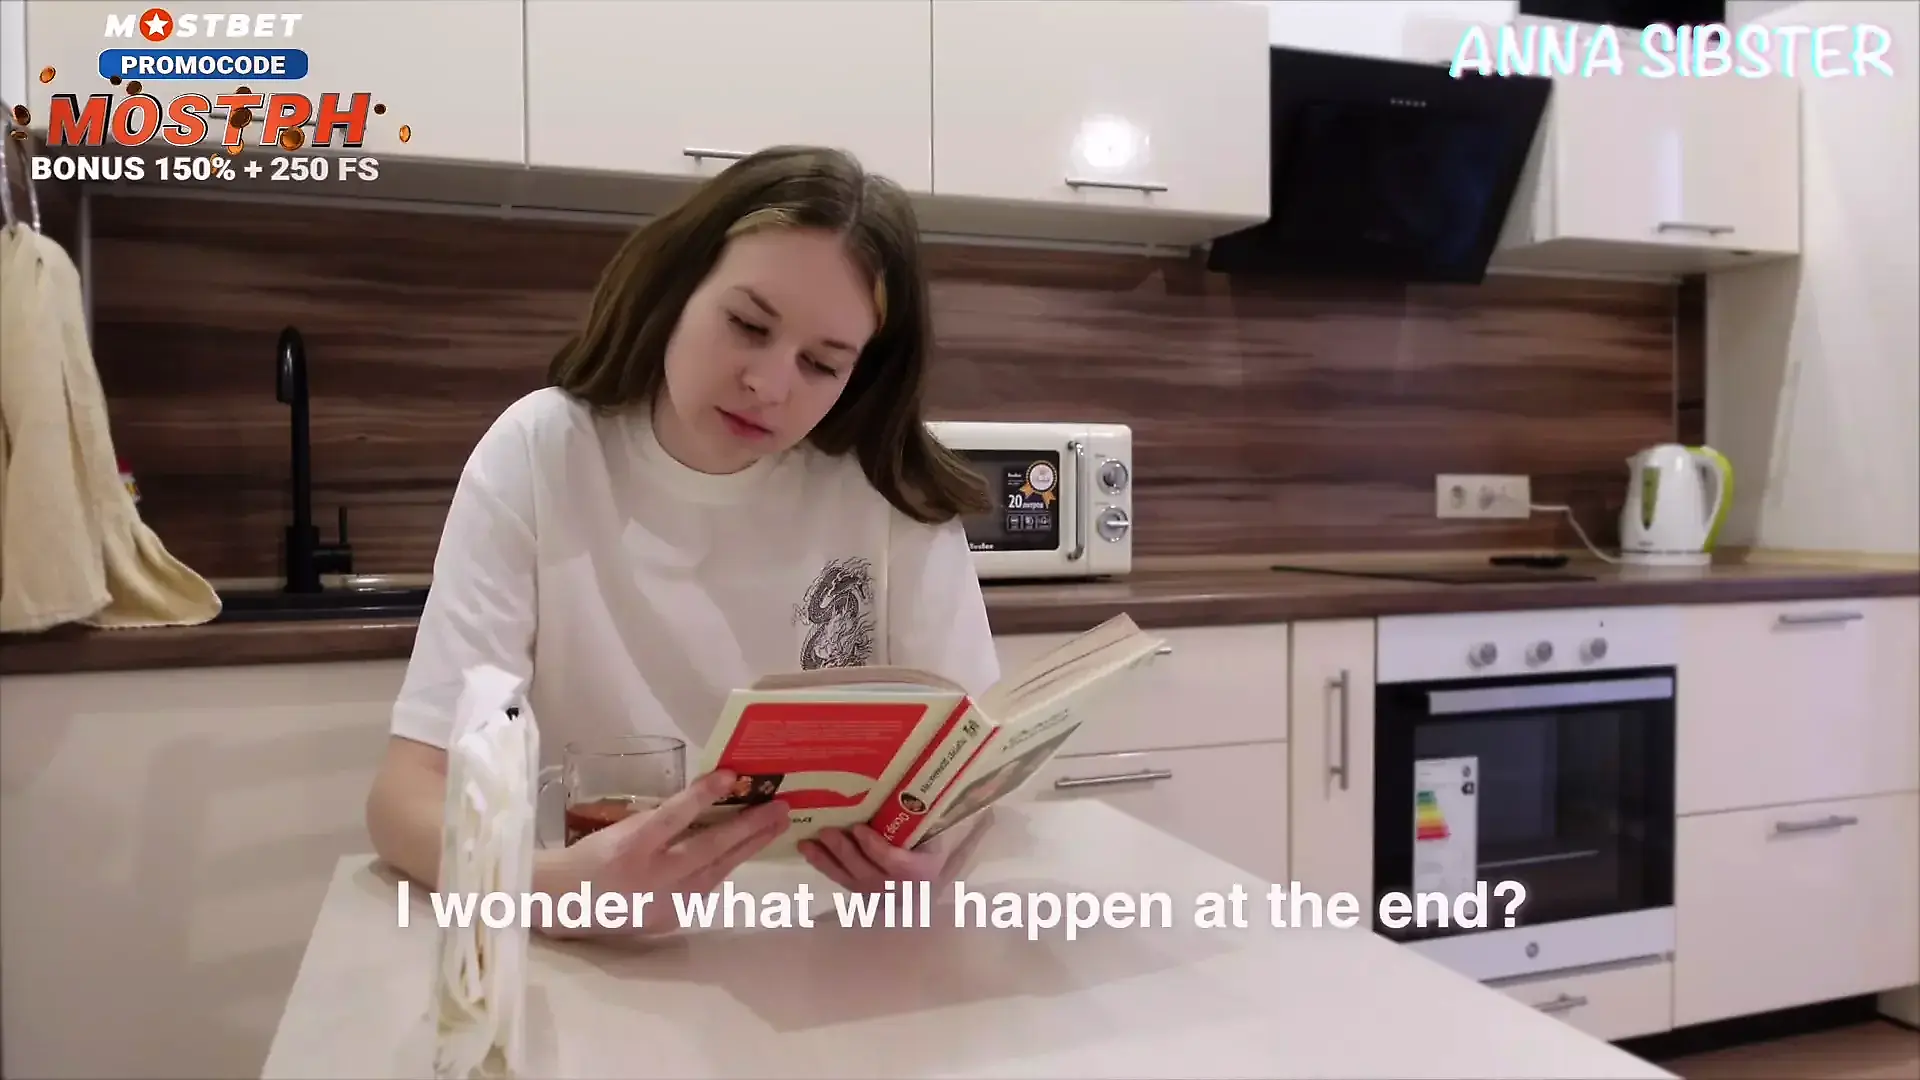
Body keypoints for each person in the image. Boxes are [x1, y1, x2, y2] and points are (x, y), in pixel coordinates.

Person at [363, 146, 1001, 929]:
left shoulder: (885, 486)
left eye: (821, 364)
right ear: (677, 289)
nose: (769, 385)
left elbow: (975, 773)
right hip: (598, 940)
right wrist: (557, 889)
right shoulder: (541, 451)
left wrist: (937, 851)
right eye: (747, 325)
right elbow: (407, 795)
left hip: (832, 938)